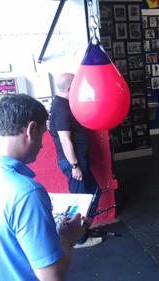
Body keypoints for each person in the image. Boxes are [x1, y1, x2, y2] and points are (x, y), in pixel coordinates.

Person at [0, 94, 92, 280]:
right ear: (31, 129)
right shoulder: (27, 192)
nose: (41, 145)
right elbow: (52, 276)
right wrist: (68, 237)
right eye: (42, 134)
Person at [49, 73, 102, 248]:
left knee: (94, 193)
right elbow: (65, 140)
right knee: (80, 201)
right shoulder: (61, 108)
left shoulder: (64, 104)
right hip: (73, 163)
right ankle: (78, 239)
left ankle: (83, 229)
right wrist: (75, 166)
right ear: (70, 88)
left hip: (79, 161)